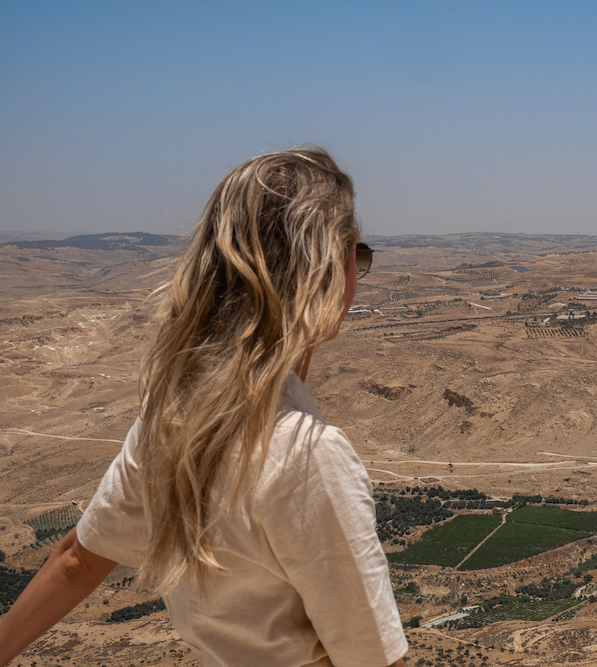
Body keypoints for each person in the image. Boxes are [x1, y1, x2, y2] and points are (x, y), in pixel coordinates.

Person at [0, 148, 408, 667]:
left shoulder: (172, 415)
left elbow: (78, 562)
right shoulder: (308, 456)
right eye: (357, 253)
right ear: (325, 270)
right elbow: (375, 660)